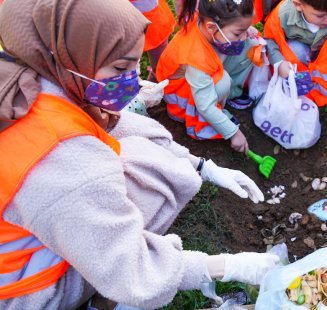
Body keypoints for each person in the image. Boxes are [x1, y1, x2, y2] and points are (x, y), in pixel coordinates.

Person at [0, 0, 278, 308]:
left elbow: (125, 125)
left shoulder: (35, 77)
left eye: (135, 64)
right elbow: (135, 273)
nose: (133, 79)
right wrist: (225, 267)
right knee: (155, 173)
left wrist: (204, 167)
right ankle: (100, 302)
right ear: (71, 58)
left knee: (147, 151)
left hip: (25, 233)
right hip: (26, 291)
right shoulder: (63, 160)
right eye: (120, 68)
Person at [157, 0, 264, 152]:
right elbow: (205, 106)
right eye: (239, 32)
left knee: (251, 43)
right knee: (222, 82)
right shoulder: (195, 58)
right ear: (212, 27)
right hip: (183, 94)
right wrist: (233, 133)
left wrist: (245, 30)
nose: (243, 36)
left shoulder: (208, 17)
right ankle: (209, 118)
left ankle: (230, 95)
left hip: (199, 75)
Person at [264, 0, 327, 119]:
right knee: (296, 50)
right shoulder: (283, 14)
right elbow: (269, 39)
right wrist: (279, 62)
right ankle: (306, 84)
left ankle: (313, 87)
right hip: (301, 53)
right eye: (320, 16)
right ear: (298, 5)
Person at [130, 0, 177, 81]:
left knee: (160, 67)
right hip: (126, 25)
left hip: (155, 21)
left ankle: (154, 84)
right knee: (127, 70)